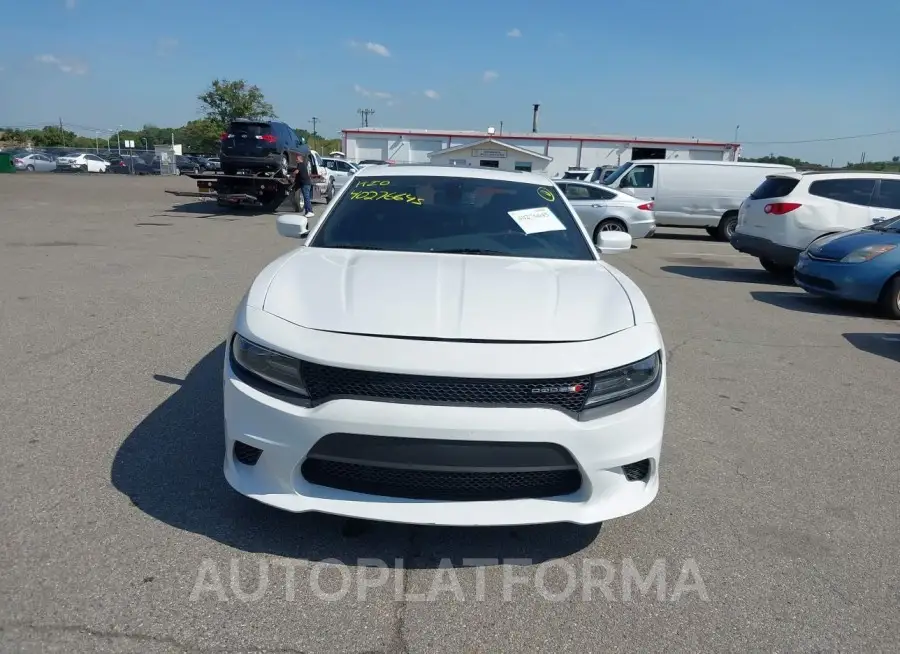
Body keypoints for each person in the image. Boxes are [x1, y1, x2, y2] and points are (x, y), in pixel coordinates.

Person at [294, 153, 314, 218]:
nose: (296, 160)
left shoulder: (300, 164)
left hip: (306, 184)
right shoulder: (303, 165)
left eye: (297, 159)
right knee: (306, 198)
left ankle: (310, 211)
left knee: (306, 197)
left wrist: (292, 173)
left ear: (300, 159)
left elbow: (297, 172)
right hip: (305, 183)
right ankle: (307, 212)